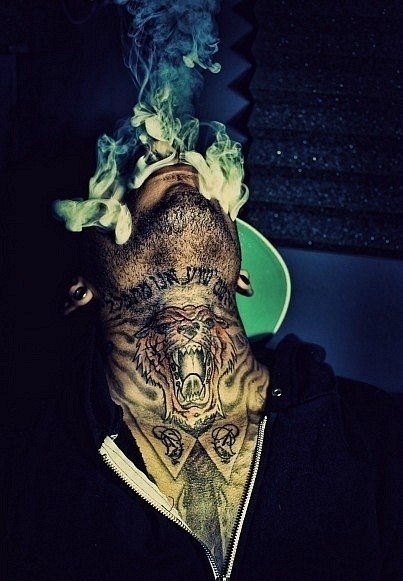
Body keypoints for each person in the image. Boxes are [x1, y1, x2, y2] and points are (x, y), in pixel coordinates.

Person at [4, 161, 402, 581]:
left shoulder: (379, 430)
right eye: (121, 188)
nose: (172, 157)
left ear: (241, 277)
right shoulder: (20, 458)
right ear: (79, 292)